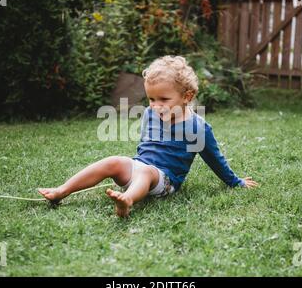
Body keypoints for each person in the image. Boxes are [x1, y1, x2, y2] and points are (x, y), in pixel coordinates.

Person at [38, 55, 258, 217]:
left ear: (187, 96)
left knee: (147, 171)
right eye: (151, 99)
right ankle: (62, 191)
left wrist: (235, 181)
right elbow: (145, 148)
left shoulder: (197, 127)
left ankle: (127, 200)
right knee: (114, 161)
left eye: (163, 99)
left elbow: (214, 159)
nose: (155, 106)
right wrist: (130, 170)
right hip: (140, 169)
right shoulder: (149, 114)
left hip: (166, 182)